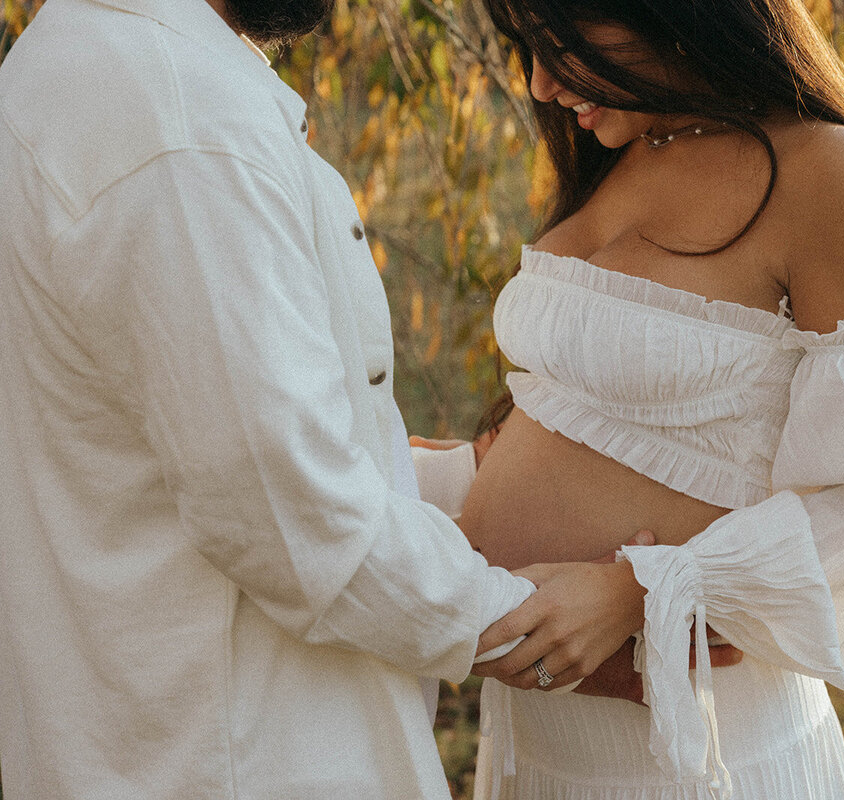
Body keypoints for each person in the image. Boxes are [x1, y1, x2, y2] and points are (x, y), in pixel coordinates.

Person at [0, 1, 658, 797]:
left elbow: (162, 451)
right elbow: (289, 514)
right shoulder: (186, 130)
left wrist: (473, 476)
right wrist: (548, 632)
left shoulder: (67, 63)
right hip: (245, 755)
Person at [434, 0, 844, 797]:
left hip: (700, 755)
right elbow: (598, 422)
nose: (540, 84)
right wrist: (455, 474)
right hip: (541, 750)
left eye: (562, 44)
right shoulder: (622, 148)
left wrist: (642, 592)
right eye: (526, 49)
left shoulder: (824, 170)